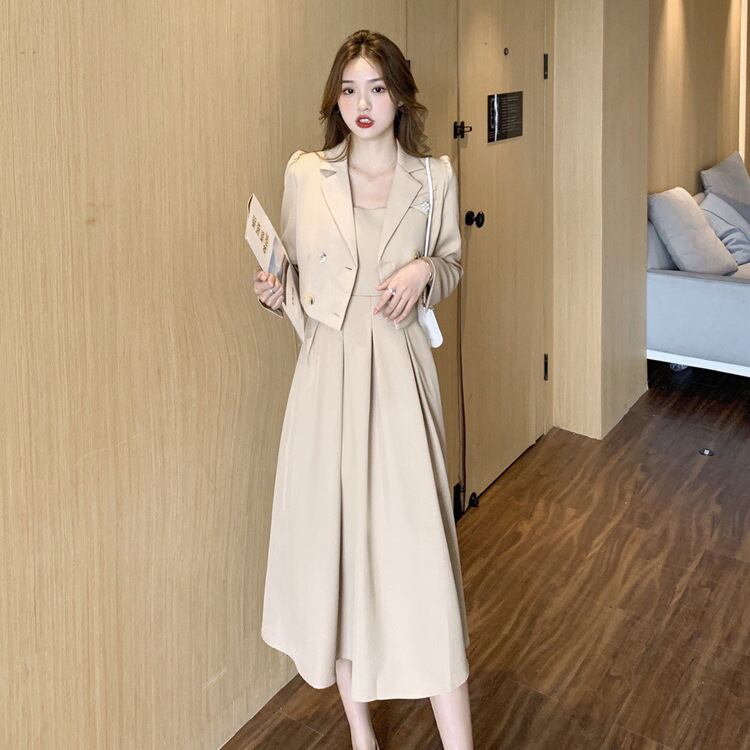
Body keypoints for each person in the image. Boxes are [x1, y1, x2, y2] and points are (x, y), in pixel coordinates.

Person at [253, 29, 474, 750]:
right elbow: (300, 286)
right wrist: (276, 292)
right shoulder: (305, 175)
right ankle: (361, 735)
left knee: (424, 566)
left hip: (401, 378)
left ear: (400, 94)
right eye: (349, 89)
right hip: (326, 382)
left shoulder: (433, 178)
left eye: (376, 87)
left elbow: (451, 262)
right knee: (337, 562)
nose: (362, 103)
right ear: (336, 99)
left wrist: (424, 272)